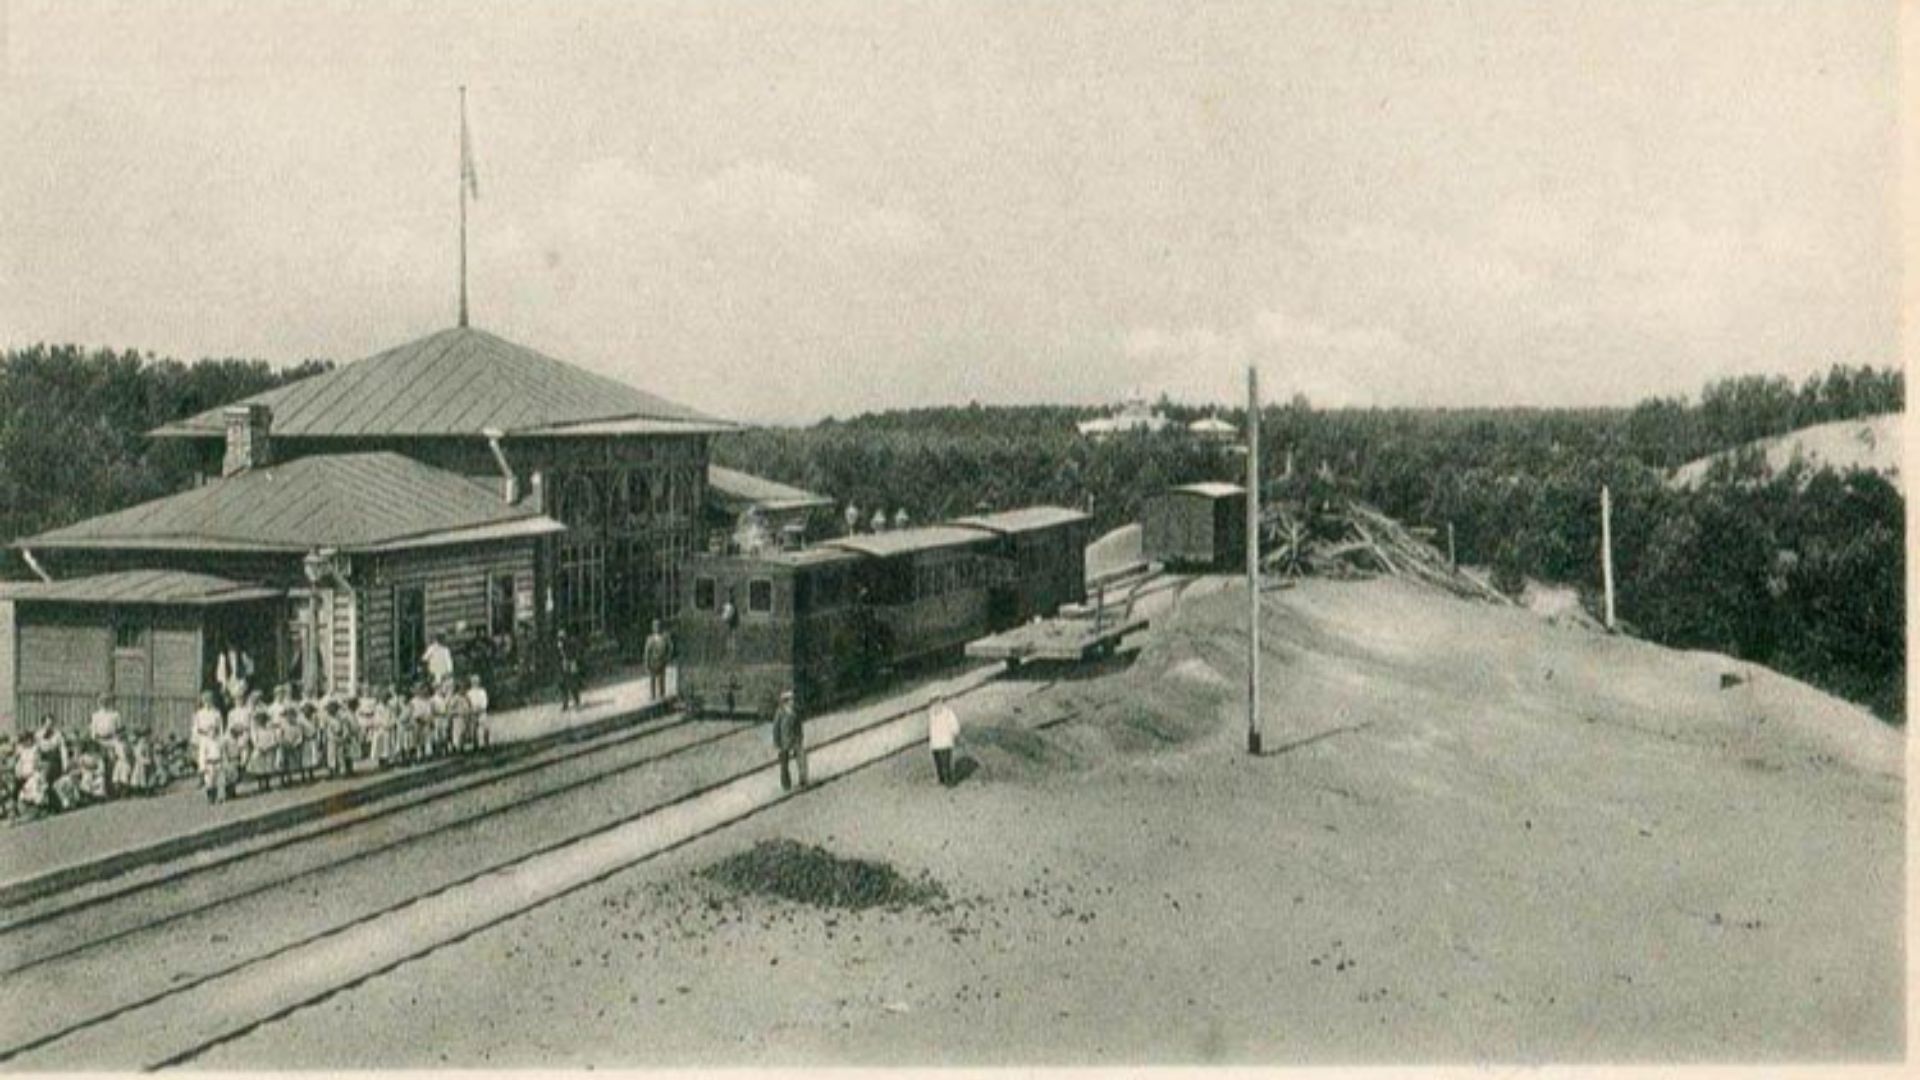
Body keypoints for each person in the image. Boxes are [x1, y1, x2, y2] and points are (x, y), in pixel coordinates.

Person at [89, 694, 126, 798]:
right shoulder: (95, 715)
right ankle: (102, 790)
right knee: (101, 763)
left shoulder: (115, 715)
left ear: (109, 702)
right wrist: (96, 742)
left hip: (112, 740)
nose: (103, 703)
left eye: (106, 701)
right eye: (101, 701)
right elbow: (93, 732)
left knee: (115, 761)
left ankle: (115, 788)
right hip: (99, 741)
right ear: (98, 702)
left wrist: (116, 739)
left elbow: (119, 730)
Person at [771, 689, 807, 792]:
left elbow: (799, 725)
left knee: (802, 759)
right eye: (791, 700)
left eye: (793, 699)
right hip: (784, 741)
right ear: (785, 701)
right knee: (784, 764)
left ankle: (803, 780)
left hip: (795, 740)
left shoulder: (795, 711)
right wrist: (777, 743)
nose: (793, 702)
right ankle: (786, 784)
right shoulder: (780, 713)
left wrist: (800, 737)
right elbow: (776, 729)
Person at [928, 692, 961, 787]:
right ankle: (941, 778)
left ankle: (949, 780)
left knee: (946, 762)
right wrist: (931, 739)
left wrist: (955, 732)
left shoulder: (948, 713)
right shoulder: (931, 714)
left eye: (937, 701)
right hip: (936, 743)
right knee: (938, 762)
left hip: (946, 742)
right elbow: (931, 728)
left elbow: (955, 724)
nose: (935, 704)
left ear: (941, 701)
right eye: (933, 702)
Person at [214, 643, 254, 710]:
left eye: (234, 646)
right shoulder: (223, 656)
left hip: (240, 683)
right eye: (230, 646)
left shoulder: (243, 655)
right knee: (227, 702)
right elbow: (220, 672)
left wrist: (245, 680)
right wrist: (224, 686)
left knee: (241, 703)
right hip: (229, 683)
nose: (233, 648)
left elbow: (250, 669)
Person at [643, 619, 673, 701]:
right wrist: (646, 664)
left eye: (658, 626)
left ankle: (662, 694)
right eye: (655, 626)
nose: (657, 628)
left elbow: (670, 648)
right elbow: (646, 652)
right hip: (652, 662)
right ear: (652, 628)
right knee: (652, 679)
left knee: (661, 679)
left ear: (661, 627)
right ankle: (652, 695)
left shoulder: (665, 637)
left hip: (662, 661)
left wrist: (667, 657)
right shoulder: (650, 638)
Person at [554, 630, 583, 712]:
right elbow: (558, 657)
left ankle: (577, 703)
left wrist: (573, 663)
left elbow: (575, 654)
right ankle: (565, 703)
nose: (561, 640)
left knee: (573, 684)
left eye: (562, 638)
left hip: (571, 664)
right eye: (559, 638)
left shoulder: (571, 643)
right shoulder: (558, 646)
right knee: (563, 685)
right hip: (562, 666)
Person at [466, 675, 491, 749]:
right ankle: (475, 745)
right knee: (474, 730)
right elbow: (468, 703)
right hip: (473, 713)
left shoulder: (482, 691)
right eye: (474, 682)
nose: (476, 683)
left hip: (482, 712)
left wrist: (481, 708)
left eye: (477, 681)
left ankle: (486, 744)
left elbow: (485, 701)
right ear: (471, 683)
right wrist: (472, 709)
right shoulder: (469, 693)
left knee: (486, 728)